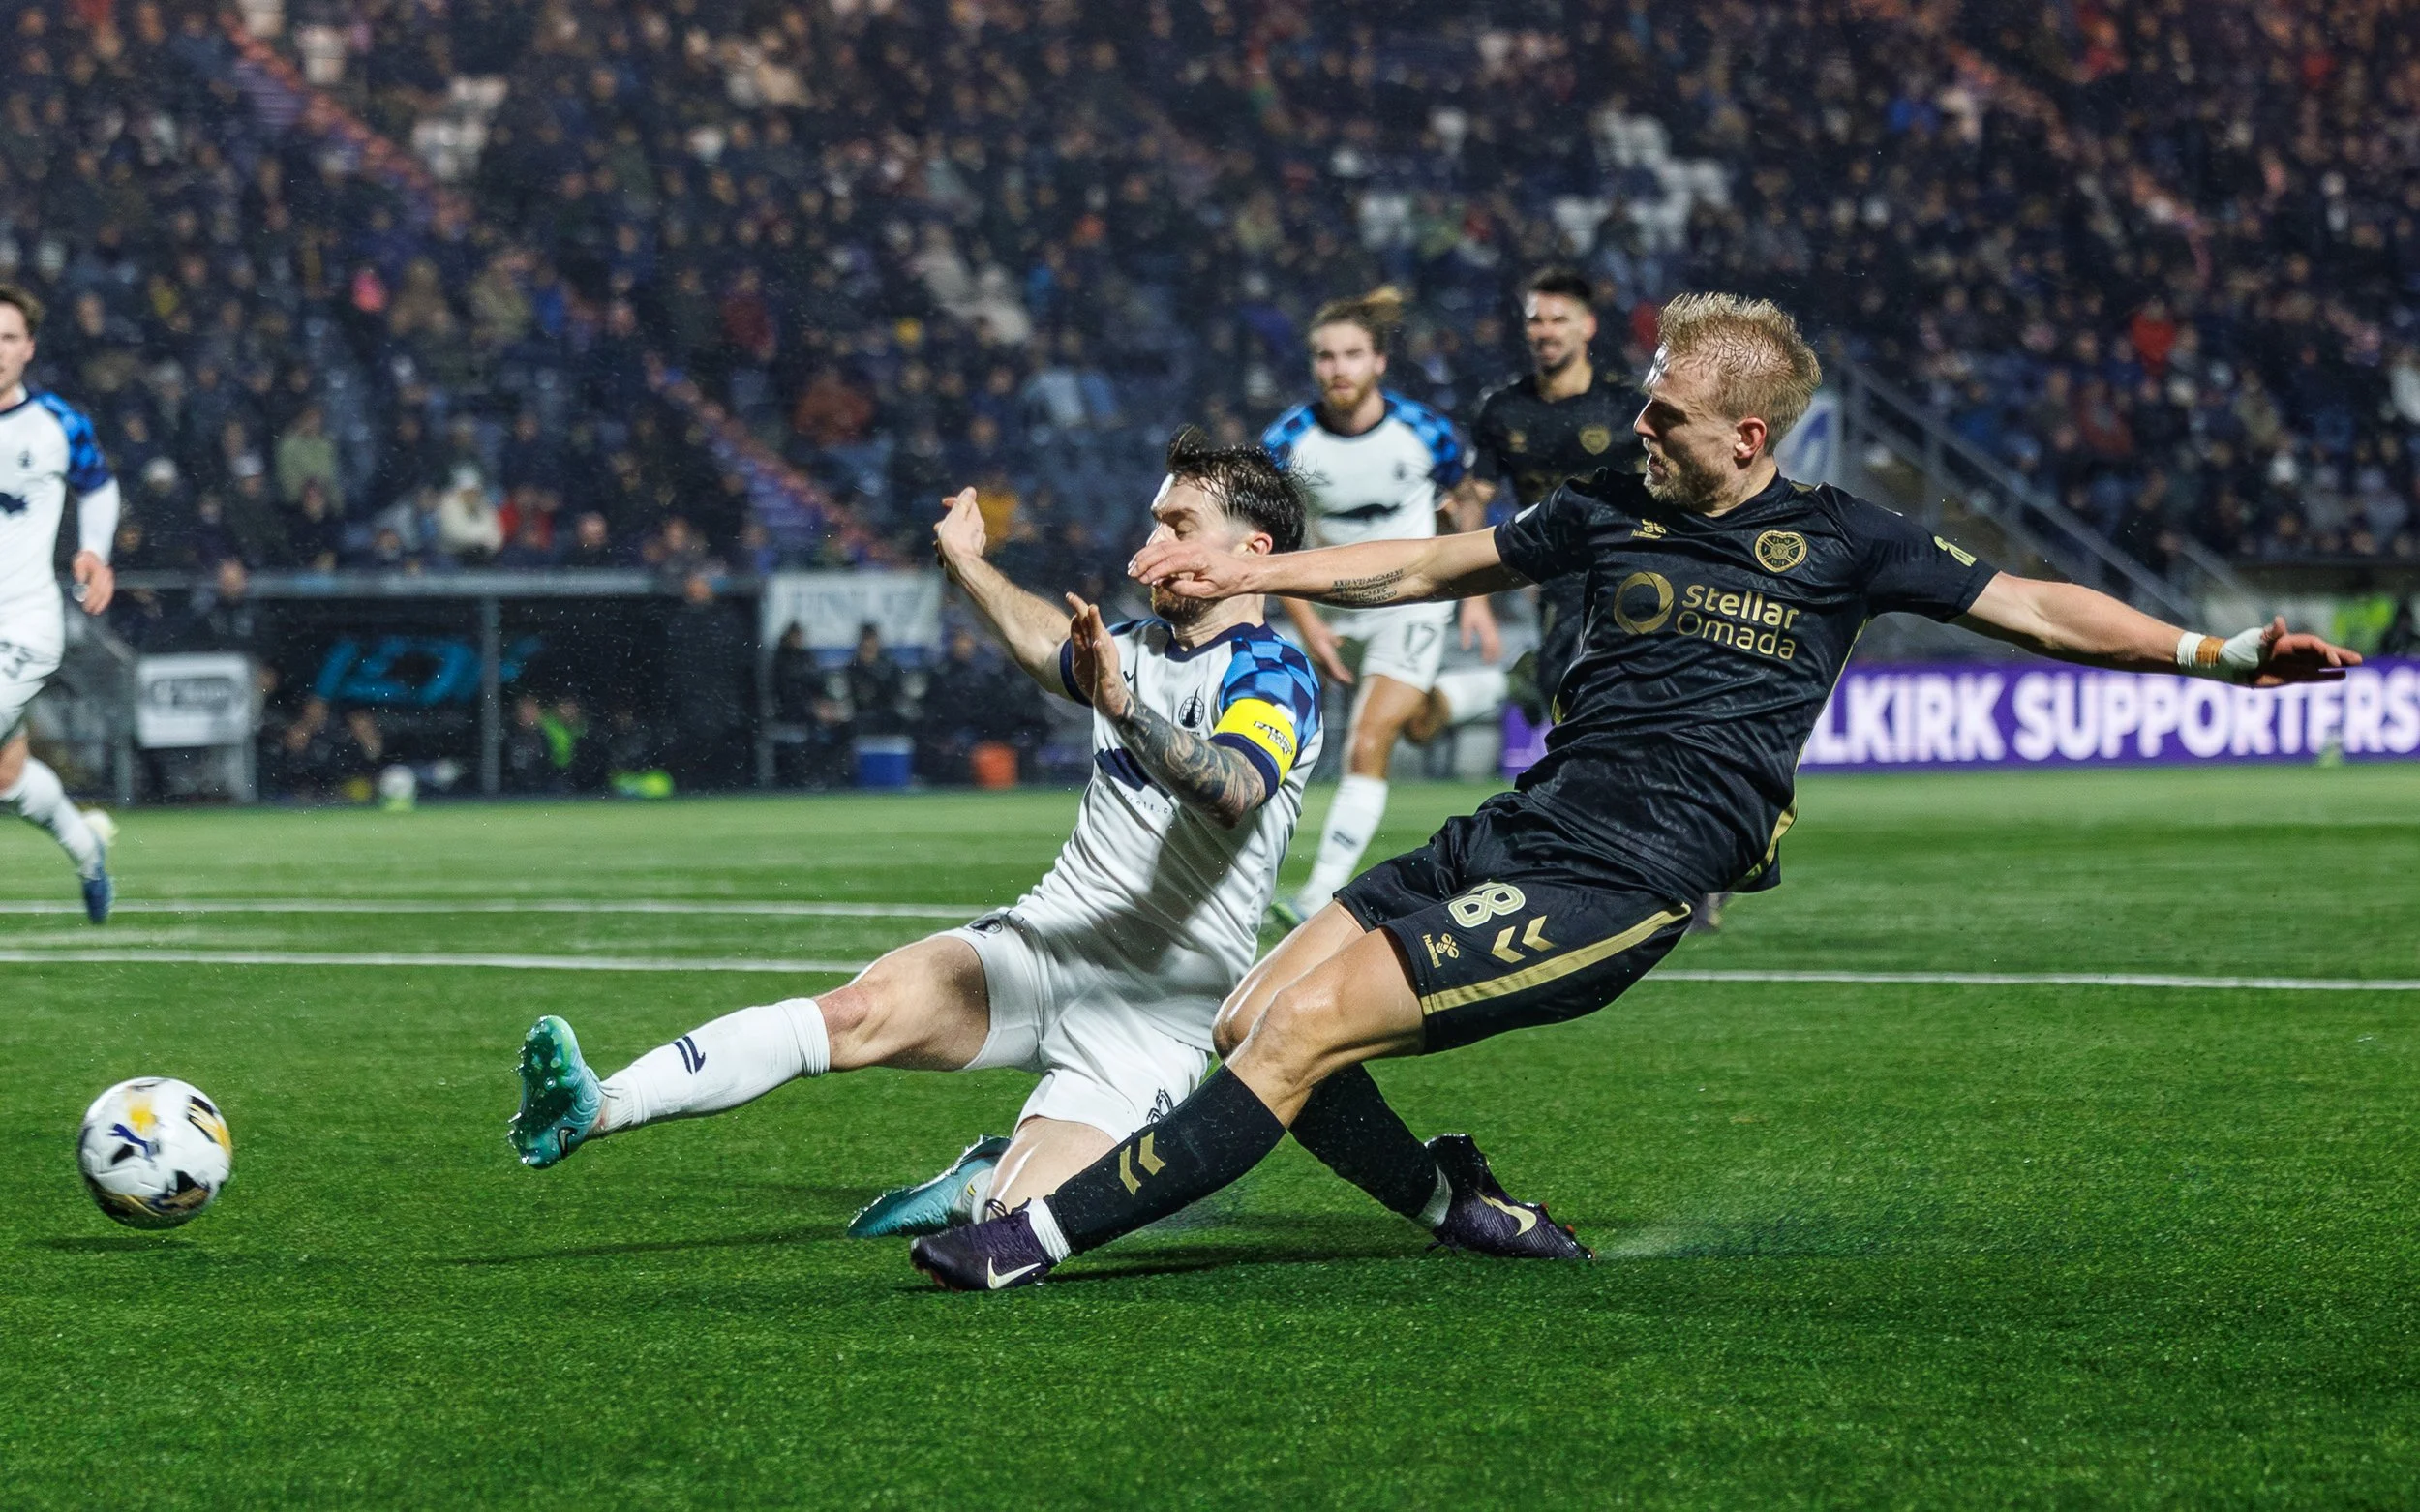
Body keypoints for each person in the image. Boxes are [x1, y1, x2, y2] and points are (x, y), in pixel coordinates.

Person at [910, 293, 2363, 1289]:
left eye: (1665, 415)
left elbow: (2037, 606)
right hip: (1528, 820)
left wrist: (2218, 655)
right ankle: (1456, 1199)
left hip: (1631, 871)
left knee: (1292, 1034)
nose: (1639, 427)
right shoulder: (1613, 501)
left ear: (1749, 437)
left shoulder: (1846, 539)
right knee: (1248, 1015)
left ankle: (1032, 1238)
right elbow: (1428, 563)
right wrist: (1252, 566)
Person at [510, 429, 1552, 1253]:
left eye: (1177, 523)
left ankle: (988, 1176)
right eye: (1152, 520)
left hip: (1160, 1006)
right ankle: (596, 1106)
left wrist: (1125, 708)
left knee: (1017, 1225)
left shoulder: (1271, 673)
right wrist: (969, 564)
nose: (1150, 544)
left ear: (1253, 553)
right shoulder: (1129, 646)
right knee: (852, 1013)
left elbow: (1233, 789)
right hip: (1044, 943)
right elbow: (1038, 640)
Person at [1261, 287, 1497, 923]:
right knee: (1413, 725)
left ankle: (1317, 896)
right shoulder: (1285, 441)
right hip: (1333, 609)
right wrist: (1308, 624)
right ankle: (1490, 690)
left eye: (1352, 354)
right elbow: (1270, 542)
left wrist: (1475, 600)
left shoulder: (1424, 431)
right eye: (1325, 356)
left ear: (1379, 362)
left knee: (1368, 740)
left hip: (1412, 603)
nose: (1338, 368)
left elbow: (1466, 505)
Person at [0, 285, 118, 922]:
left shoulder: (55, 423)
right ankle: (88, 850)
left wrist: (94, 550)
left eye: (8, 337)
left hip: (23, 623)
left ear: (29, 348)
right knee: (8, 779)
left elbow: (98, 485)